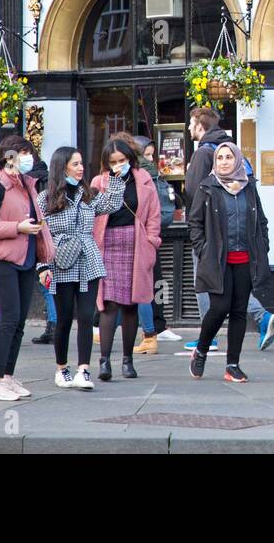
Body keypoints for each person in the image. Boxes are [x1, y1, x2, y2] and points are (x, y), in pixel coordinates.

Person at [184, 107, 274, 353]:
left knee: (210, 284)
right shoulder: (229, 148)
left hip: (214, 237)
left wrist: (202, 246)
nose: (188, 129)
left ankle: (212, 336)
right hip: (235, 238)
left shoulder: (203, 154)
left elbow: (194, 195)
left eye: (191, 124)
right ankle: (261, 317)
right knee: (231, 290)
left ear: (200, 126)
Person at [0, 135, 53, 401]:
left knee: (18, 322)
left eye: (30, 152)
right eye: (23, 153)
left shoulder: (28, 186)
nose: (29, 158)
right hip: (4, 259)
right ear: (10, 157)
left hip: (27, 259)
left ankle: (7, 377)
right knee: (7, 320)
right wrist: (17, 227)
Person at [37, 146, 127, 391]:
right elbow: (40, 235)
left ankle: (84, 370)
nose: (80, 168)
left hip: (88, 259)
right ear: (62, 166)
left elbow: (112, 204)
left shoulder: (87, 194)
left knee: (87, 317)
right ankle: (61, 368)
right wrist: (43, 266)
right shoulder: (45, 198)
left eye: (81, 164)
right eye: (75, 164)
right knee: (65, 318)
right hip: (61, 259)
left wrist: (117, 179)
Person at [188, 142, 271, 383]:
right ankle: (201, 349)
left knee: (238, 311)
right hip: (217, 261)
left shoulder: (249, 188)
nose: (224, 161)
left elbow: (261, 221)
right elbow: (195, 223)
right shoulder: (208, 188)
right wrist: (203, 250)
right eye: (220, 157)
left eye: (229, 157)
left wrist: (262, 246)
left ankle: (232, 364)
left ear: (237, 160)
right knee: (219, 308)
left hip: (245, 259)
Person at [88, 135, 162, 381]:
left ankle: (128, 361)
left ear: (131, 158)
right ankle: (105, 361)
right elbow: (92, 215)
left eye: (122, 160)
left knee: (131, 304)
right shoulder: (100, 182)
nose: (118, 165)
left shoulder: (144, 180)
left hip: (136, 244)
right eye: (113, 161)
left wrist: (152, 243)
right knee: (108, 304)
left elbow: (153, 215)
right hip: (107, 244)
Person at [129, 134, 179, 353]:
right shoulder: (144, 176)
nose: (150, 159)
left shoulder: (153, 176)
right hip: (140, 237)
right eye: (146, 154)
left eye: (152, 154)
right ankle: (152, 327)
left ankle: (156, 326)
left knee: (156, 283)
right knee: (146, 285)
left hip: (150, 237)